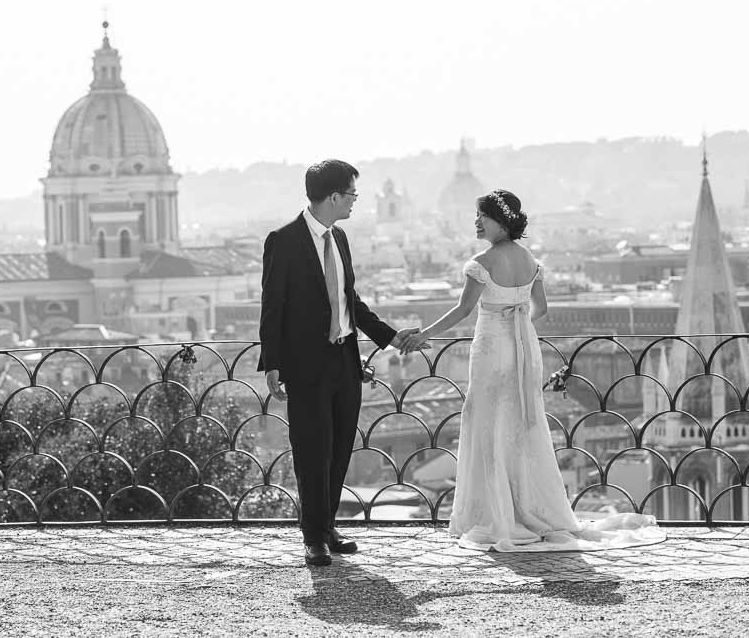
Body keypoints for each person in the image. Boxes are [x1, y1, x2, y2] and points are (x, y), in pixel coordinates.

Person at [399, 190, 663, 552]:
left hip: (491, 349)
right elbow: (541, 308)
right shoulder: (531, 261)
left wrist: (423, 335)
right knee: (523, 424)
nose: (476, 222)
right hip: (523, 348)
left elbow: (463, 312)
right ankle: (529, 509)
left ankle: (495, 514)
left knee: (489, 424)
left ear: (500, 220)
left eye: (481, 216)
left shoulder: (481, 262)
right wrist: (517, 315)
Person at [258, 159, 426, 566]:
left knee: (337, 452)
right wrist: (272, 363)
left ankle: (328, 526)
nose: (355, 201)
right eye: (351, 193)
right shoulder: (283, 240)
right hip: (306, 364)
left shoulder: (341, 239)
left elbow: (352, 303)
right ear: (333, 196)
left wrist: (389, 336)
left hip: (344, 361)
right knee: (311, 452)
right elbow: (272, 306)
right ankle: (312, 537)